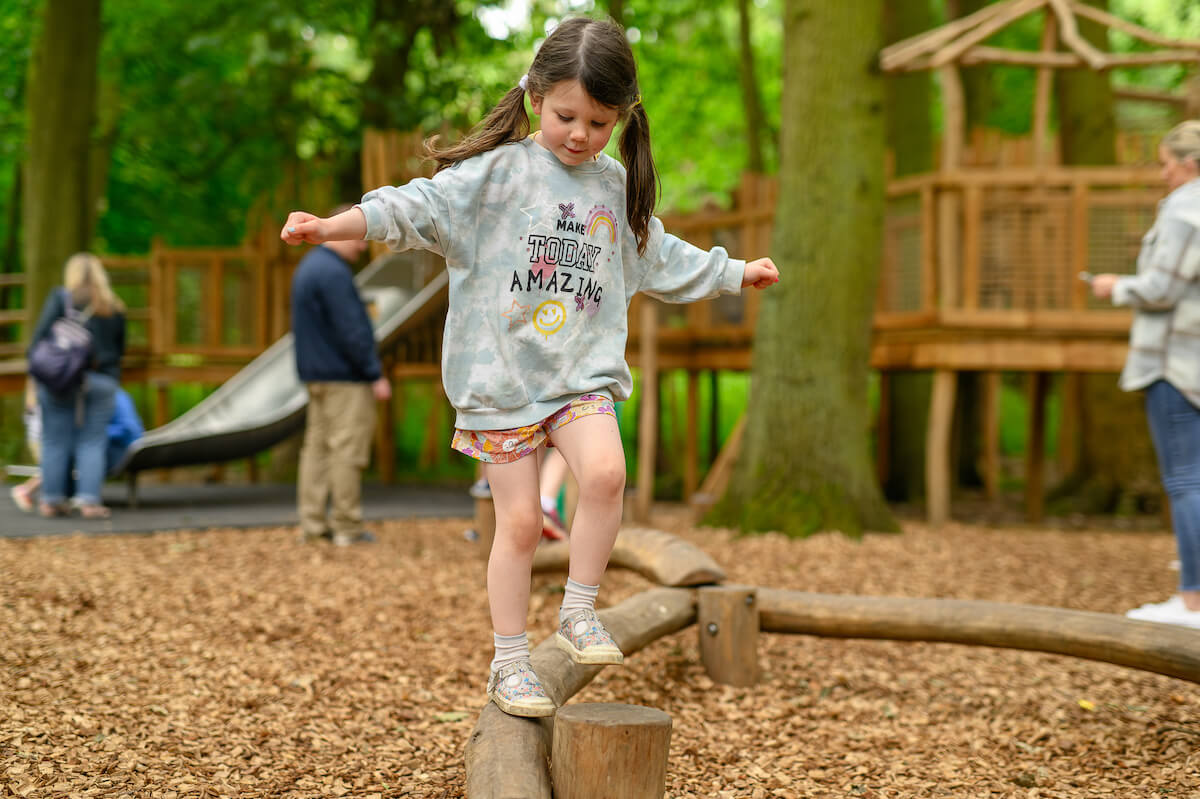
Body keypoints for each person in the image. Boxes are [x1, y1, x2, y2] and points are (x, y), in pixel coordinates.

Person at [281, 16, 779, 716]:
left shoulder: (613, 187)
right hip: (502, 379)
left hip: (578, 374)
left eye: (599, 123)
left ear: (621, 118)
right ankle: (509, 661)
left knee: (605, 473)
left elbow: (659, 255)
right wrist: (333, 226)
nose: (580, 135)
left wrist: (733, 272)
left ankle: (579, 610)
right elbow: (416, 206)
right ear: (536, 98)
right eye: (566, 116)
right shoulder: (495, 175)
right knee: (517, 525)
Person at [1090, 119, 1200, 629]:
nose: (1162, 174)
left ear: (1189, 163)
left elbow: (1161, 288)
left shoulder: (1184, 208)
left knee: (1186, 480)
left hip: (1175, 362)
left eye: (1166, 164)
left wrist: (1115, 286)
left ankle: (1193, 601)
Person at [290, 205, 392, 547]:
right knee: (347, 451)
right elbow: (352, 331)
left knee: (316, 450)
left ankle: (313, 525)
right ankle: (347, 525)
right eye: (358, 237)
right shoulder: (334, 273)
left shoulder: (310, 267)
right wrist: (374, 373)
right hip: (345, 379)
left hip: (316, 375)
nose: (362, 246)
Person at [28, 253, 126, 519]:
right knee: (93, 440)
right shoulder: (114, 306)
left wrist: (33, 384)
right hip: (102, 380)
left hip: (60, 379)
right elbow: (119, 350)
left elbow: (37, 342)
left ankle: (51, 500)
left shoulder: (61, 299)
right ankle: (89, 502)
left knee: (54, 439)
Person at [11, 383, 144, 514]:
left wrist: (94, 434)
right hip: (107, 446)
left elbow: (130, 428)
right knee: (74, 448)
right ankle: (44, 494)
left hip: (122, 450)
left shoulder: (113, 395)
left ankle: (38, 493)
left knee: (79, 447)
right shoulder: (91, 395)